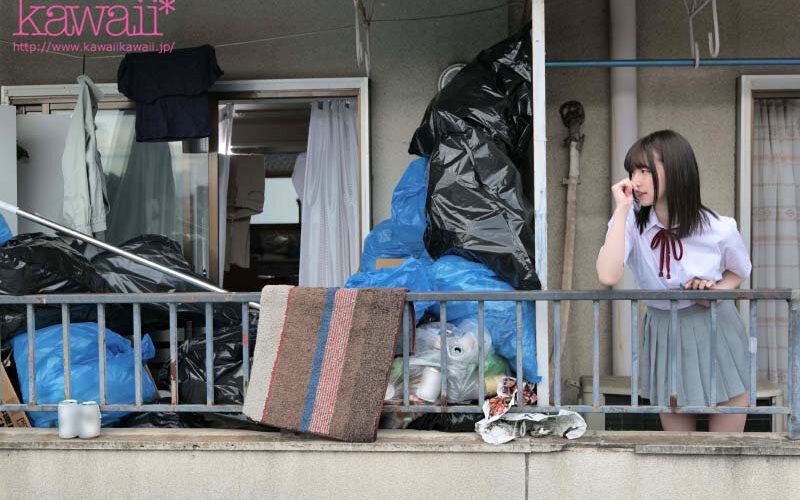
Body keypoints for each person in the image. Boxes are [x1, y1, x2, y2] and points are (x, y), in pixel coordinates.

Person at [596, 130, 752, 432]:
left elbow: (740, 270)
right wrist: (623, 209)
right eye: (632, 171)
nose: (635, 180)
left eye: (645, 170)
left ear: (677, 170)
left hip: (715, 330)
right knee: (679, 453)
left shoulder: (718, 228)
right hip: (664, 331)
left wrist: (715, 290)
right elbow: (608, 274)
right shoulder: (631, 222)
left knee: (727, 451)